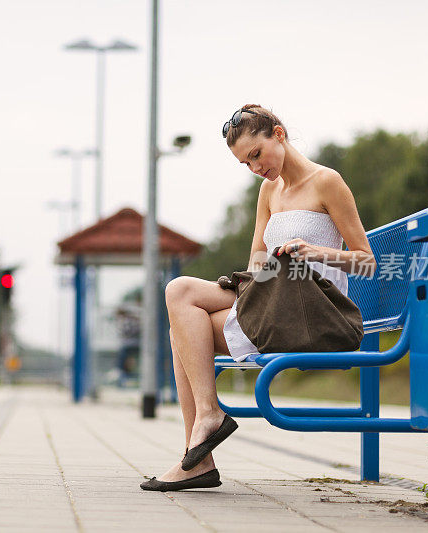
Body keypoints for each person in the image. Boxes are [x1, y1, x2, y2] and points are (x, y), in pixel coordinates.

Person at [140, 104, 377, 491]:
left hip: (311, 312)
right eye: (245, 164)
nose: (255, 168)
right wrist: (247, 282)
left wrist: (315, 252)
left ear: (278, 135)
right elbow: (258, 264)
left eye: (256, 155)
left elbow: (367, 263)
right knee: (179, 291)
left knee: (181, 332)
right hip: (271, 300)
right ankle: (207, 418)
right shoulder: (269, 191)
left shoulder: (327, 182)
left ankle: (201, 445)